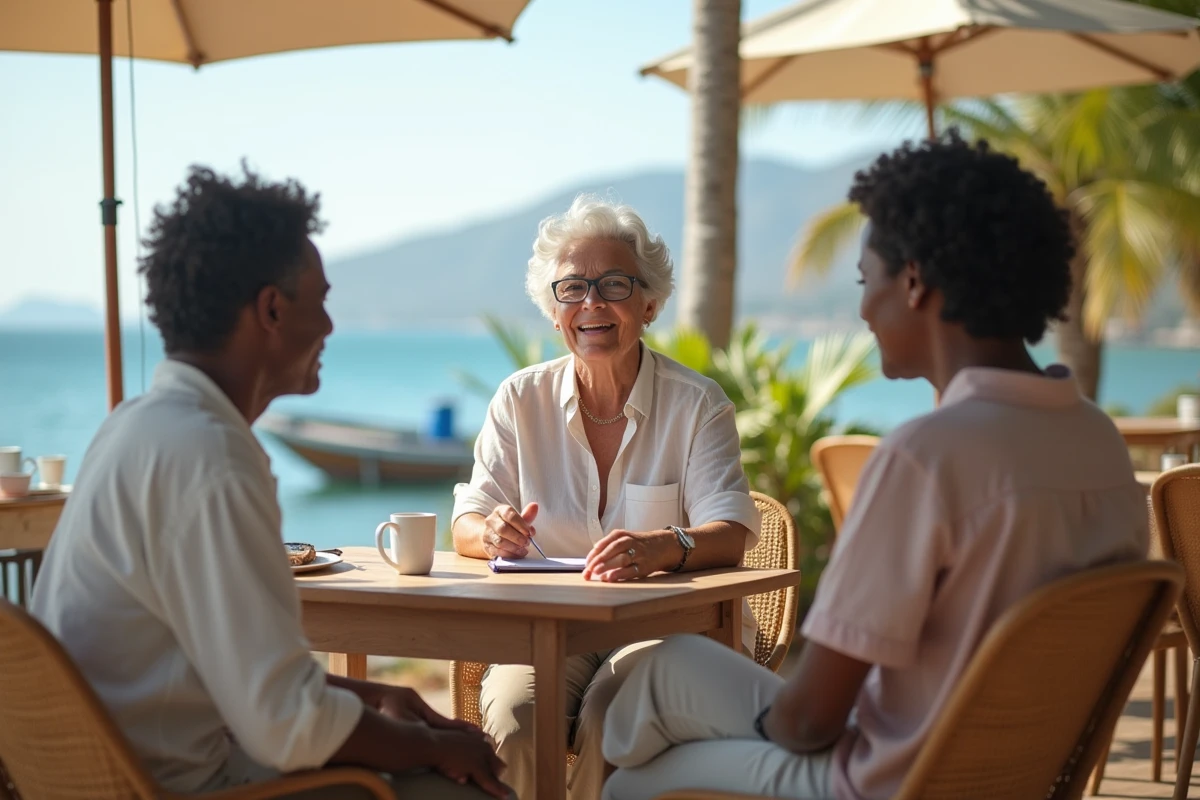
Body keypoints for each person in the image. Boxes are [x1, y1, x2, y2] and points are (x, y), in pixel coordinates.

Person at [599, 132, 1150, 800]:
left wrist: (733, 729)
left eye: (867, 281)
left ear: (913, 281)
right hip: (1014, 776)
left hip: (883, 782)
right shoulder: (1098, 441)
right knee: (670, 669)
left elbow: (808, 722)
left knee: (635, 775)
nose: (863, 309)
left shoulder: (928, 458)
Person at [30, 165, 509, 800]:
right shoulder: (212, 458)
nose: (331, 328)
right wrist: (437, 744)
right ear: (273, 308)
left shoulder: (134, 428)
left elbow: (229, 671)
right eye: (323, 300)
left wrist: (370, 694)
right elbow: (287, 727)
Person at [450, 195, 762, 799]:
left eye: (613, 284)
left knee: (609, 717)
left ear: (649, 304)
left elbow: (733, 533)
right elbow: (467, 521)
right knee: (517, 719)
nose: (591, 302)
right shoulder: (519, 399)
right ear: (553, 309)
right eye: (571, 288)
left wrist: (661, 547)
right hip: (550, 627)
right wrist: (491, 532)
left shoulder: (698, 403)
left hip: (668, 631)